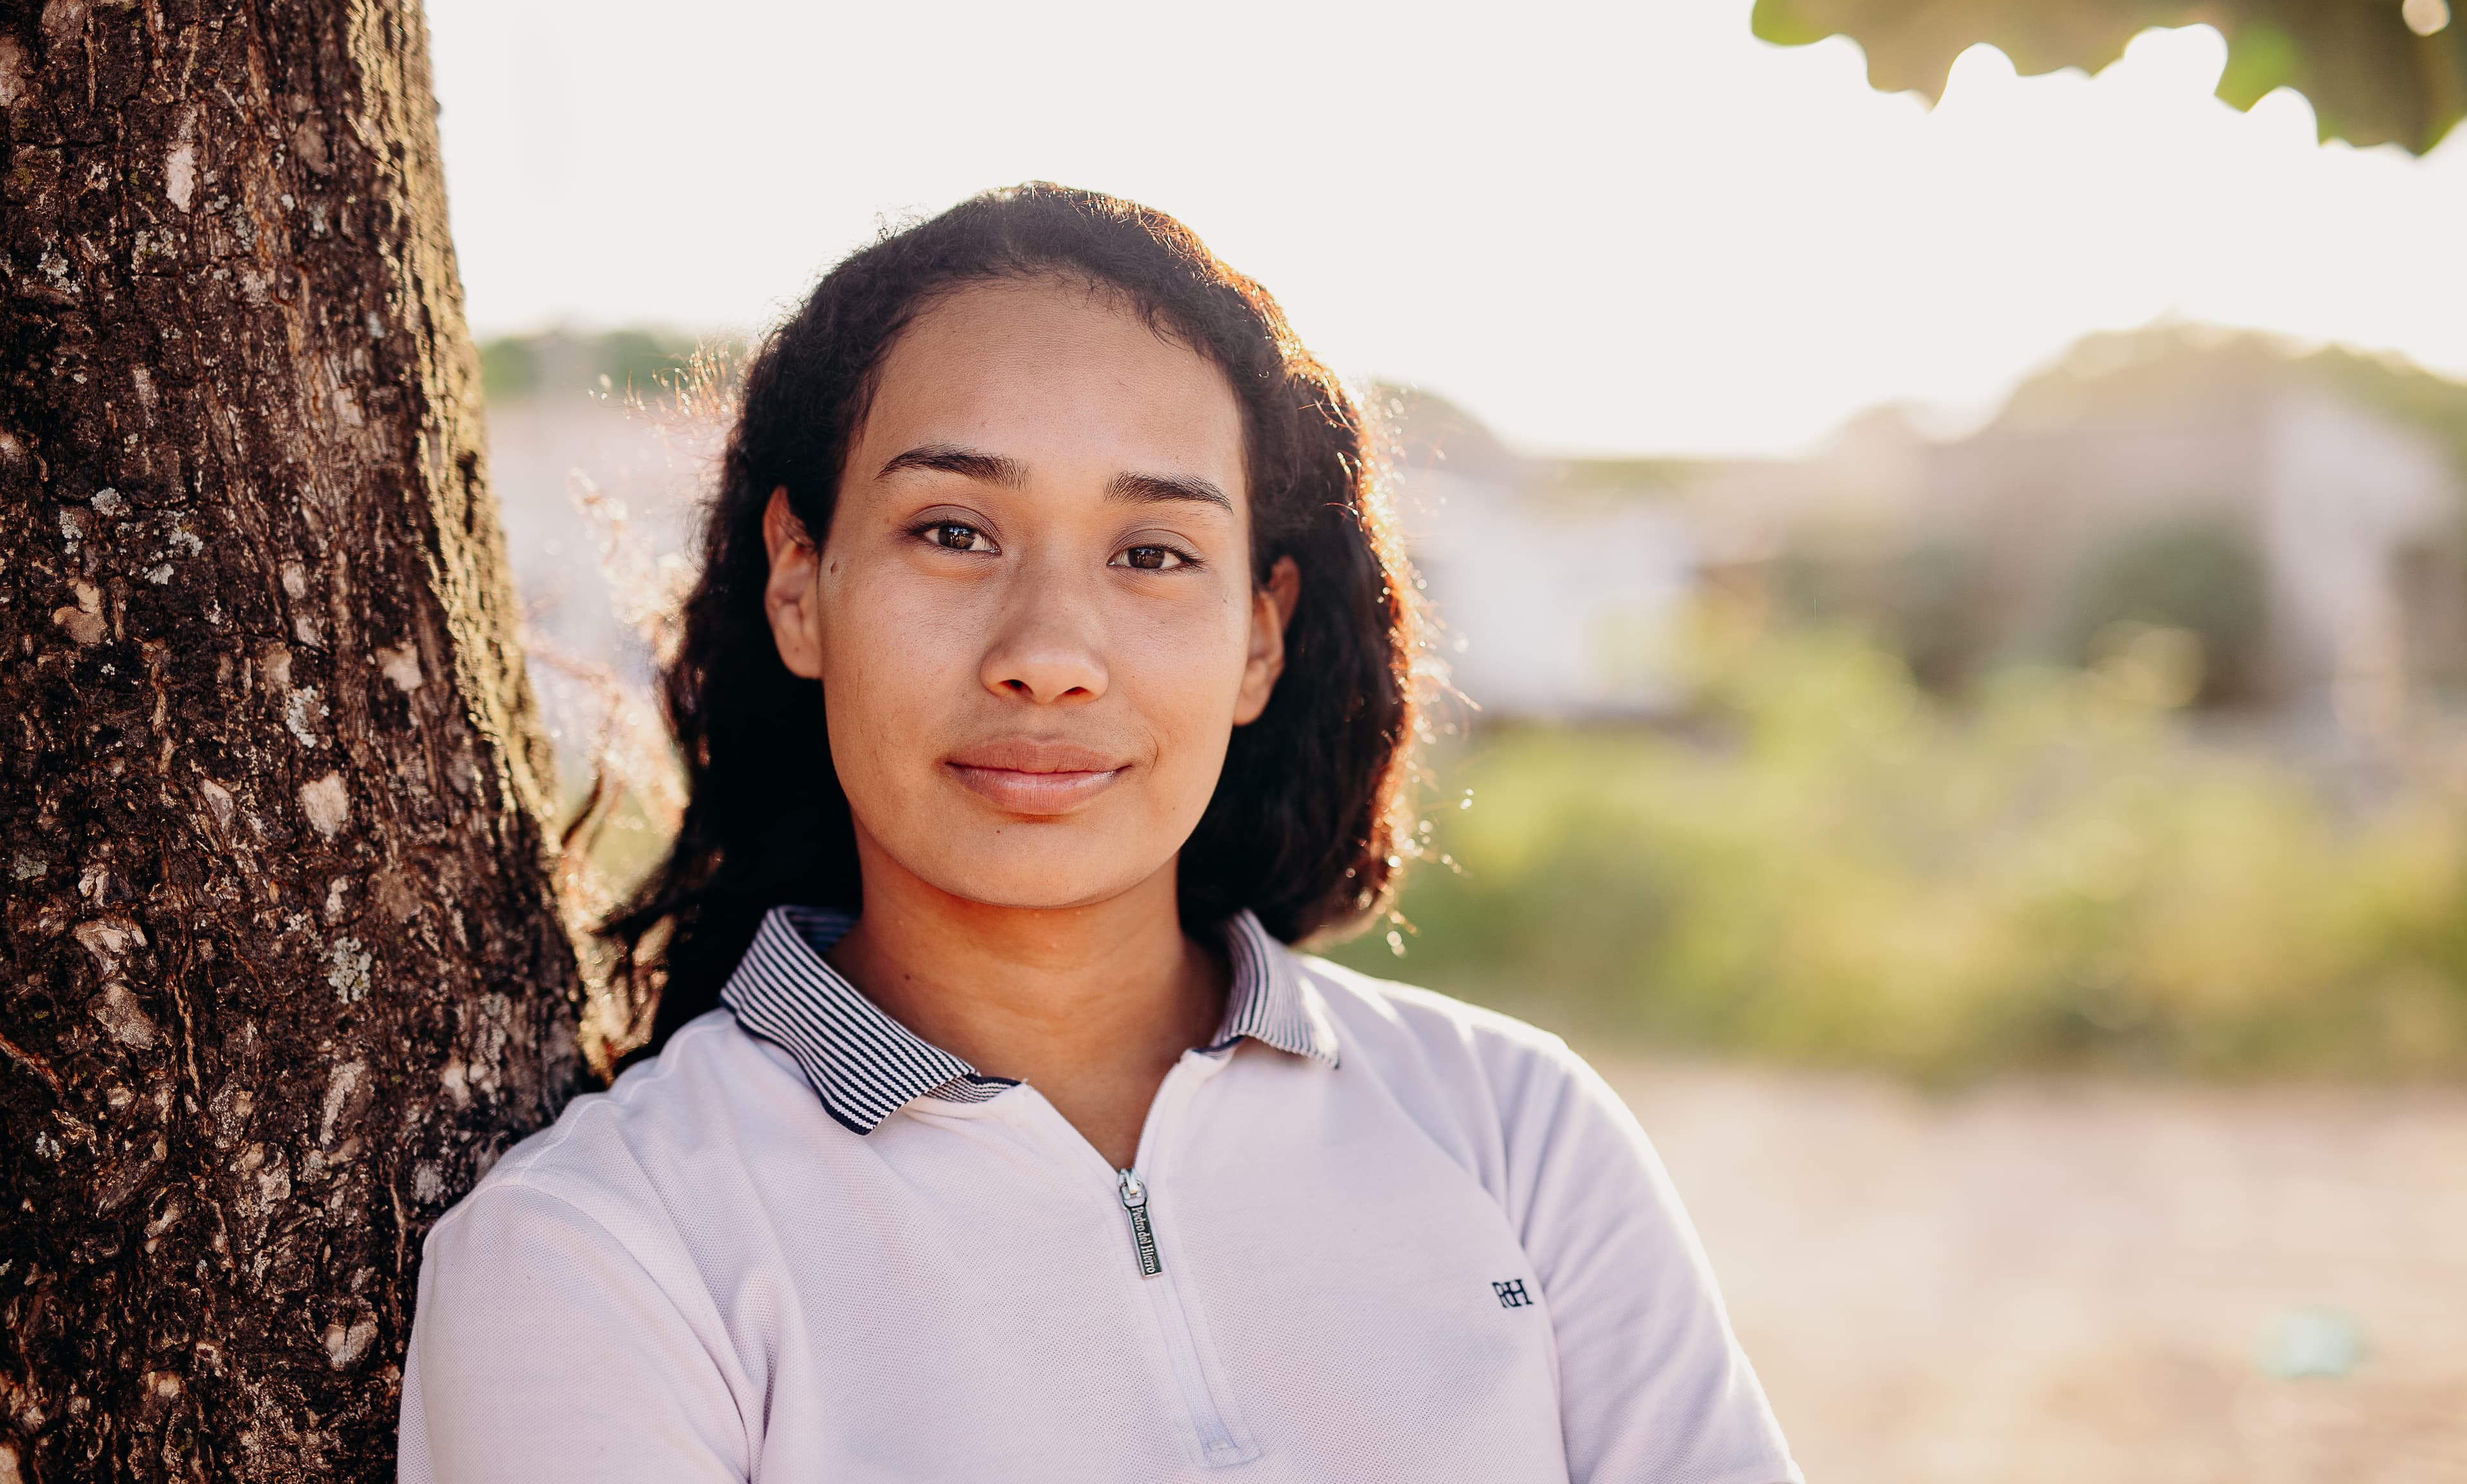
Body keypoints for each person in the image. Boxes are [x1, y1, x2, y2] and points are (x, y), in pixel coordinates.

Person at [398, 184, 1799, 1483]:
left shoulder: (1516, 1133)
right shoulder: (605, 1248)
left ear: (1260, 635)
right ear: (800, 580)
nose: (1051, 654)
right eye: (953, 530)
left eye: (1153, 554)